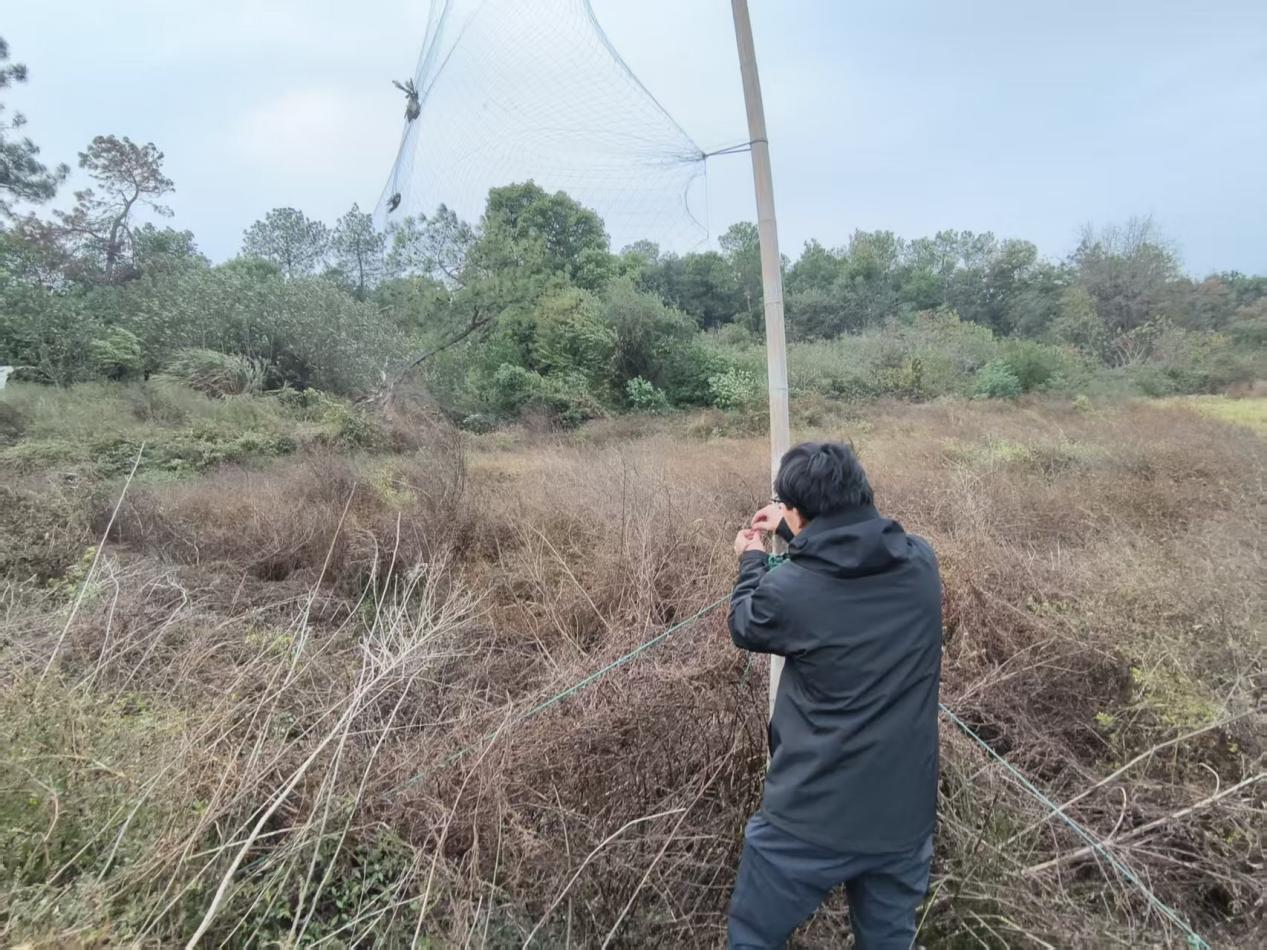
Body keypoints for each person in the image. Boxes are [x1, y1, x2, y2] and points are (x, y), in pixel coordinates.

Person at [726, 441, 942, 950]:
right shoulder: (921, 564)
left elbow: (746, 621)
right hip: (902, 813)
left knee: (754, 937)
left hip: (809, 814)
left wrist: (753, 559)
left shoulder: (791, 591)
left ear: (800, 511)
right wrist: (792, 529)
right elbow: (847, 559)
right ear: (861, 491)